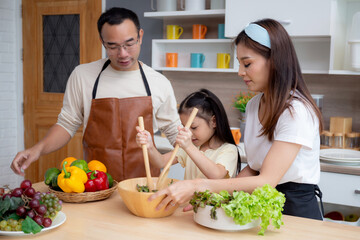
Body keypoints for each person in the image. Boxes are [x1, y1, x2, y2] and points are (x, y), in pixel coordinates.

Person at [149, 19, 324, 220]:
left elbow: (266, 181)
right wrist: (210, 197)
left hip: (295, 210)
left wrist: (198, 186)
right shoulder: (253, 105)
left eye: (247, 63)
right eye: (239, 63)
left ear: (275, 60)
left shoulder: (296, 111)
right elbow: (254, 168)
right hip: (260, 204)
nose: (240, 72)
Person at [10, 7, 181, 182]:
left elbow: (178, 137)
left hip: (145, 186)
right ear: (102, 41)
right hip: (96, 185)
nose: (123, 54)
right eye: (112, 46)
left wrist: (190, 153)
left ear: (141, 36)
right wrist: (36, 150)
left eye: (129, 44)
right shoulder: (83, 75)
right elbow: (67, 124)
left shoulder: (159, 82)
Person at [136, 89, 240, 181]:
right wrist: (149, 146)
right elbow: (161, 162)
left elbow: (216, 175)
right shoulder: (192, 146)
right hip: (189, 203)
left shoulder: (228, 150)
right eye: (184, 126)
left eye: (194, 127)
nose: (189, 133)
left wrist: (189, 146)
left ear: (214, 121)